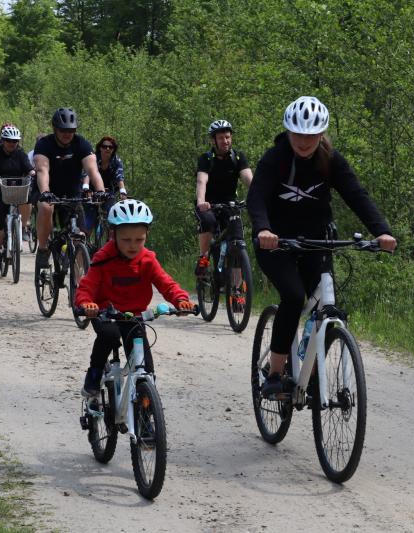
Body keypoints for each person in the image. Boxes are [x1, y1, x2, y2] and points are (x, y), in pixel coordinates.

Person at [247, 96, 397, 397]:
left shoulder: (330, 160)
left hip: (318, 241)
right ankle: (275, 374)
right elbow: (257, 197)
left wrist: (382, 231)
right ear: (288, 132)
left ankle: (312, 375)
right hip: (276, 243)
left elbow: (357, 195)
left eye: (312, 135)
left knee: (327, 307)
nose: (304, 141)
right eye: (298, 134)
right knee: (293, 296)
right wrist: (263, 228)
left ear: (322, 134)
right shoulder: (275, 158)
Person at [75, 199, 196, 396]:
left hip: (134, 315)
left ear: (147, 235)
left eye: (139, 240)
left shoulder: (147, 259)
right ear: (113, 235)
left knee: (145, 365)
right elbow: (87, 286)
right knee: (109, 335)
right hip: (106, 313)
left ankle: (146, 401)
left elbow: (166, 283)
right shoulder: (103, 257)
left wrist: (181, 300)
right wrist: (86, 303)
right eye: (126, 240)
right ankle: (94, 373)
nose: (133, 246)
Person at [33, 107, 106, 268]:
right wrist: (45, 192)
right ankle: (43, 249)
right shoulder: (44, 144)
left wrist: (100, 191)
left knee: (80, 238)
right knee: (46, 207)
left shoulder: (81, 144)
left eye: (71, 130)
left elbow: (93, 170)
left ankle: (80, 278)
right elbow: (42, 170)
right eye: (63, 130)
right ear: (55, 129)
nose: (67, 134)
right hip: (47, 191)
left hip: (72, 193)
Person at [194, 119, 253, 276]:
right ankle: (203, 257)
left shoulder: (238, 157)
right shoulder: (206, 159)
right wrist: (201, 201)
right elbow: (201, 181)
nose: (225, 141)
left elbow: (249, 179)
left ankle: (238, 290)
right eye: (221, 138)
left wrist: (258, 196)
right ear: (213, 140)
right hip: (208, 204)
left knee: (237, 241)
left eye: (227, 137)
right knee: (208, 221)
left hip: (230, 205)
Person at [0, 125, 34, 271]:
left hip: (17, 190)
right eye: (9, 140)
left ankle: (23, 227)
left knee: (28, 199)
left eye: (15, 141)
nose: (12, 143)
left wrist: (32, 173)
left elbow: (28, 167)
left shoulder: (20, 154)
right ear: (3, 140)